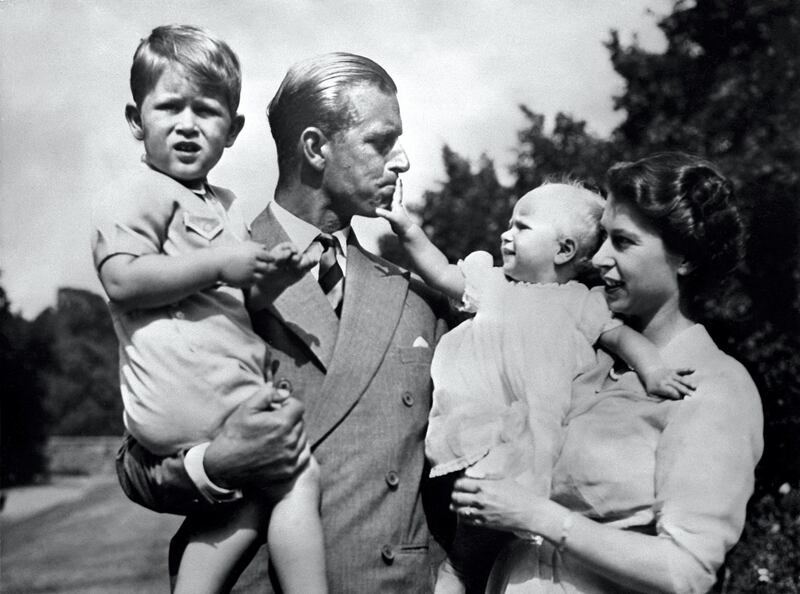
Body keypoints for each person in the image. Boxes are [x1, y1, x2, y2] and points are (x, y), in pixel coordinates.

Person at [114, 52, 452, 593]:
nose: (403, 161)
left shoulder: (417, 300)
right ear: (316, 148)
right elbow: (135, 465)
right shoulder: (202, 273)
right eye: (381, 141)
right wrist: (216, 464)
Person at [449, 153, 764, 593]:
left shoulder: (714, 386)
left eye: (623, 241)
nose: (597, 258)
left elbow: (685, 571)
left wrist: (536, 515)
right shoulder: (582, 357)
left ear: (685, 258)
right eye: (601, 239)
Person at [91, 25, 327, 594]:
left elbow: (237, 302)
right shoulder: (139, 190)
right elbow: (122, 280)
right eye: (169, 107)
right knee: (298, 476)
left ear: (233, 130)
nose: (188, 124)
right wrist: (222, 264)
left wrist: (269, 282)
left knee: (242, 504)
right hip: (186, 393)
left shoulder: (223, 206)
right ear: (135, 120)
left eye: (208, 111)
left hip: (214, 390)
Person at [379, 180, 695, 593]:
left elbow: (625, 340)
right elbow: (440, 272)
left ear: (563, 250)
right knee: (464, 561)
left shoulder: (585, 303)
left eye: (521, 227)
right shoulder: (494, 286)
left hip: (537, 457)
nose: (505, 234)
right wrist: (406, 228)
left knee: (512, 562)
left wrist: (654, 371)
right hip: (477, 446)